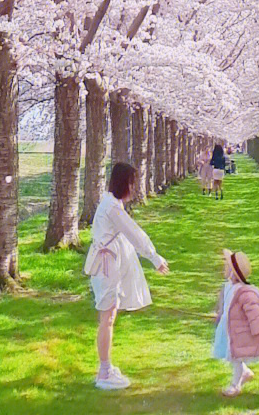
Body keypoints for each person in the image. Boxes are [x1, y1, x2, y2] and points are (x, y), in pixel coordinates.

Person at [84, 162, 170, 390]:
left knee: (109, 316)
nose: (134, 188)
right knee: (107, 318)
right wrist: (155, 258)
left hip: (107, 266)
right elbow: (134, 233)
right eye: (132, 183)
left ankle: (106, 366)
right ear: (125, 184)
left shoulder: (112, 204)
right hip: (106, 267)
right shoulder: (112, 208)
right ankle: (104, 370)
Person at [212, 249, 259, 397]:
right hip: (228, 328)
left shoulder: (245, 293)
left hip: (239, 331)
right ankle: (244, 371)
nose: (224, 269)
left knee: (236, 356)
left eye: (227, 267)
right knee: (231, 353)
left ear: (233, 273)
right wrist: (219, 314)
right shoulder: (227, 287)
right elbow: (224, 304)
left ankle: (235, 385)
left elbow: (254, 313)